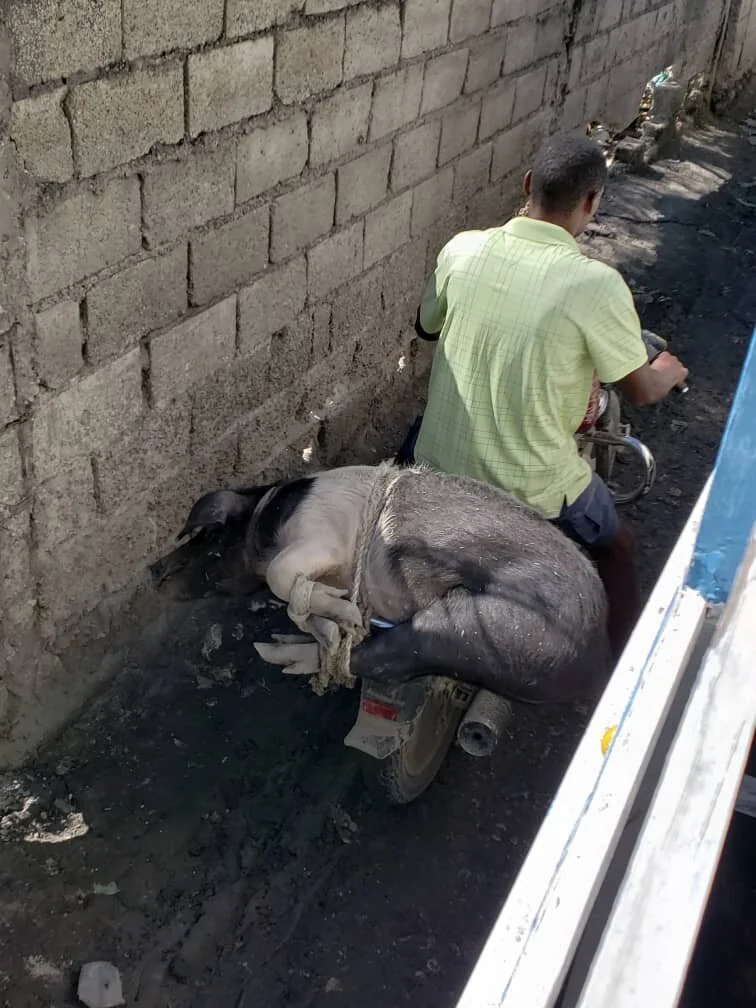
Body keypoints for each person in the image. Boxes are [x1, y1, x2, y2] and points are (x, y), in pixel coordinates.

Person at [409, 132, 688, 662]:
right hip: (531, 488)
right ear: (592, 202)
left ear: (528, 184)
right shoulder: (596, 284)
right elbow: (640, 390)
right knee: (618, 547)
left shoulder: (463, 248)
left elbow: (427, 326)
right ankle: (620, 665)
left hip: (438, 468)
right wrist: (669, 371)